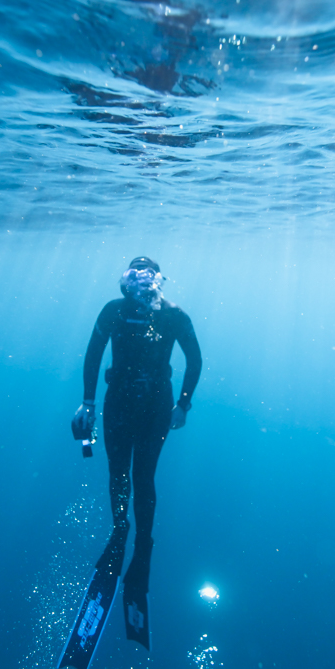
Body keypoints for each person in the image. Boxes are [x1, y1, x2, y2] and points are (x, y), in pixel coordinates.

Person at [70, 256, 202, 648]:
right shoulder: (143, 312)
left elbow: (94, 355)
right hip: (146, 406)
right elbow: (194, 360)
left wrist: (89, 402)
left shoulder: (151, 312)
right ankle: (132, 535)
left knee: (131, 476)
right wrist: (182, 405)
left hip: (135, 406)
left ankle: (132, 536)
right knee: (133, 476)